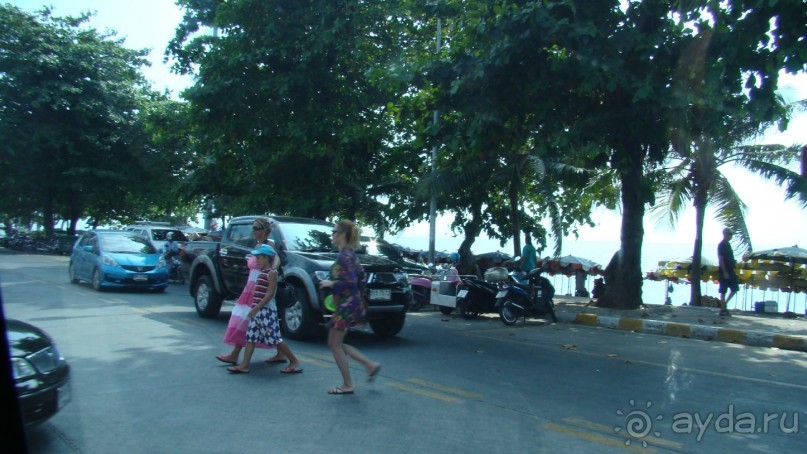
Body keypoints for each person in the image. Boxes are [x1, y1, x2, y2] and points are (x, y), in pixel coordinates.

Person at [319, 220, 381, 395]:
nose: (332, 235)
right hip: (348, 304)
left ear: (342, 235)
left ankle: (348, 384)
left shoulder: (344, 256)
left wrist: (331, 283)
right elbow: (361, 277)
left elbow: (351, 282)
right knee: (334, 343)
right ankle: (370, 365)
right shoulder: (350, 254)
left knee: (334, 344)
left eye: (334, 231)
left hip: (346, 306)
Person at [216, 217, 287, 365]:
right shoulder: (258, 245)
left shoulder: (268, 244)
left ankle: (235, 355)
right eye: (253, 228)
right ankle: (280, 353)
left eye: (256, 228)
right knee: (257, 323)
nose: (253, 231)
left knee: (248, 321)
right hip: (251, 287)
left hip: (259, 287)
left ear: (265, 230)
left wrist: (271, 270)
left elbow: (276, 259)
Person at [227, 244, 301, 374]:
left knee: (275, 339)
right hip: (258, 311)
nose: (257, 261)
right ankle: (244, 365)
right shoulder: (262, 272)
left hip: (266, 312)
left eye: (259, 258)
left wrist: (257, 308)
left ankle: (293, 360)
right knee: (250, 337)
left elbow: (270, 294)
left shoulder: (272, 273)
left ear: (266, 258)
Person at [717, 228, 738, 316]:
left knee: (734, 288)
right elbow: (721, 259)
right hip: (724, 270)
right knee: (723, 290)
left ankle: (724, 304)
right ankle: (723, 309)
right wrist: (724, 271)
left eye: (731, 234)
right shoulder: (721, 245)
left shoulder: (728, 245)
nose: (731, 236)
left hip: (731, 269)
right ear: (725, 234)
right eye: (730, 234)